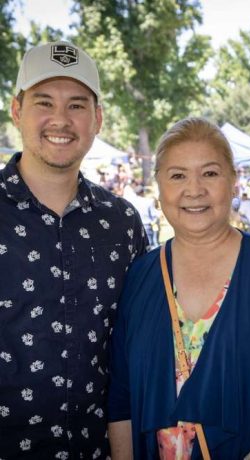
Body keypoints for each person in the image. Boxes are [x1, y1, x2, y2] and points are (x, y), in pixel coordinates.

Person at [107, 117, 250, 459]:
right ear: (159, 187)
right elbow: (121, 396)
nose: (194, 189)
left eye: (210, 173)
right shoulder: (140, 276)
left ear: (233, 182)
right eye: (178, 175)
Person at [0, 41, 147, 458]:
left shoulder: (122, 223)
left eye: (77, 106)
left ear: (97, 118)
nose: (60, 120)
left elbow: (134, 348)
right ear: (17, 110)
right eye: (44, 102)